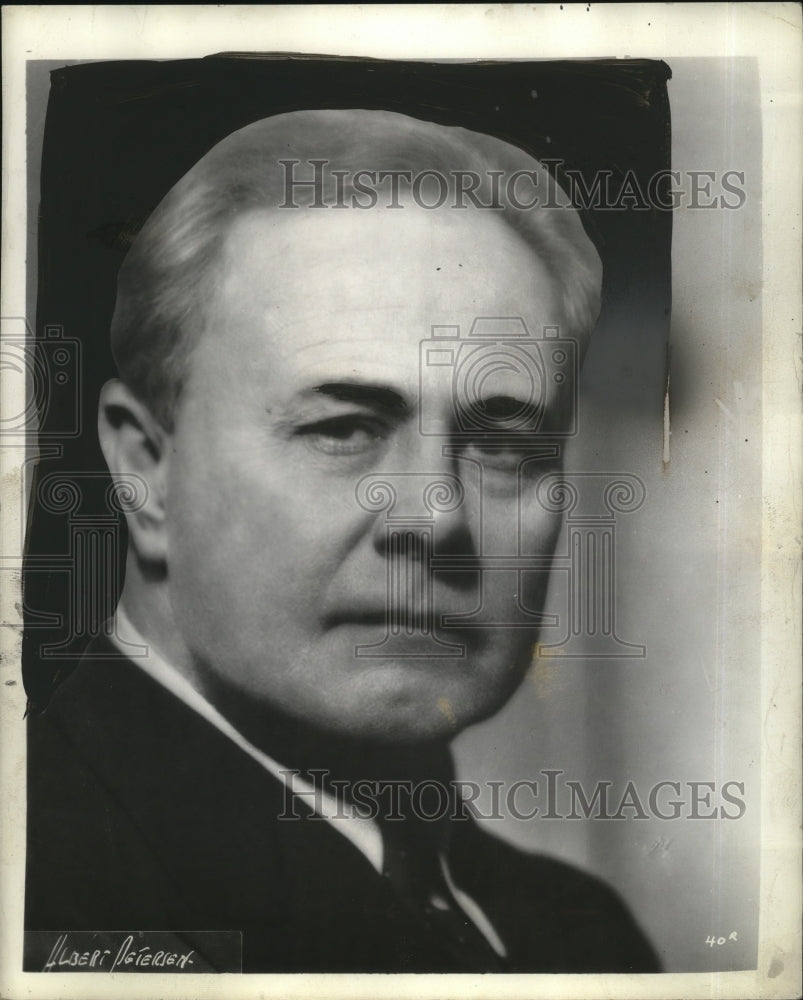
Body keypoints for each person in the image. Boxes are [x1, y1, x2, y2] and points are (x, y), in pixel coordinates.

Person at [25, 109, 660, 973]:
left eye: (505, 446)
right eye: (343, 428)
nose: (436, 517)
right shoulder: (37, 880)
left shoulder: (580, 938)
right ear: (144, 467)